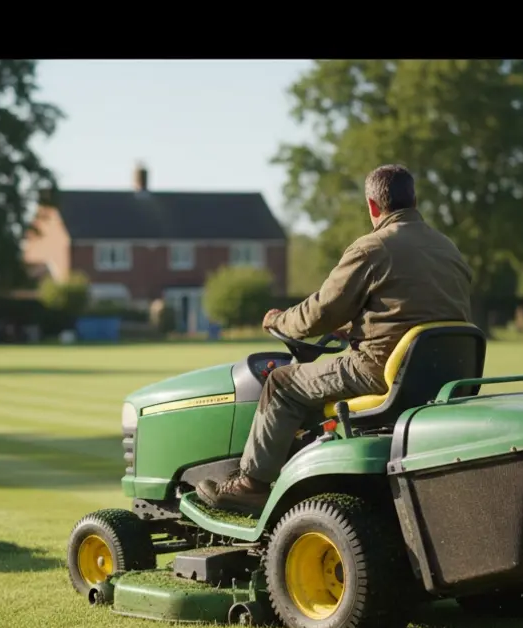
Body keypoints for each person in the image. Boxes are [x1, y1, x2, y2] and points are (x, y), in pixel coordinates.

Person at [196, 163, 475, 514]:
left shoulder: (372, 248)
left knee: (282, 383)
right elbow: (418, 314)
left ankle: (251, 484)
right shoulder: (447, 248)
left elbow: (318, 314)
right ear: (414, 199)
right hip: (443, 375)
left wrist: (280, 319)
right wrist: (357, 329)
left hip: (380, 370)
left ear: (373, 207)